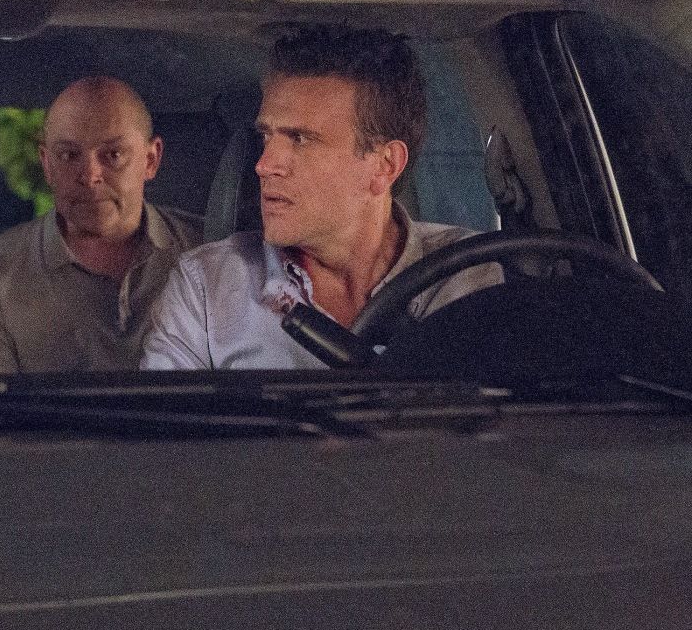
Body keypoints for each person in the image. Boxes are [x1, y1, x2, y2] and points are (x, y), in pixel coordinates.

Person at [141, 23, 497, 370]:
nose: (264, 165)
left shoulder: (473, 273)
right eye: (266, 137)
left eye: (300, 139)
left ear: (384, 165)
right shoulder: (207, 288)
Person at [0, 76, 202, 375]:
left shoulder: (208, 252)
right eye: (69, 155)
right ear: (47, 164)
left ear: (151, 160)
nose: (90, 176)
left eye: (113, 155)